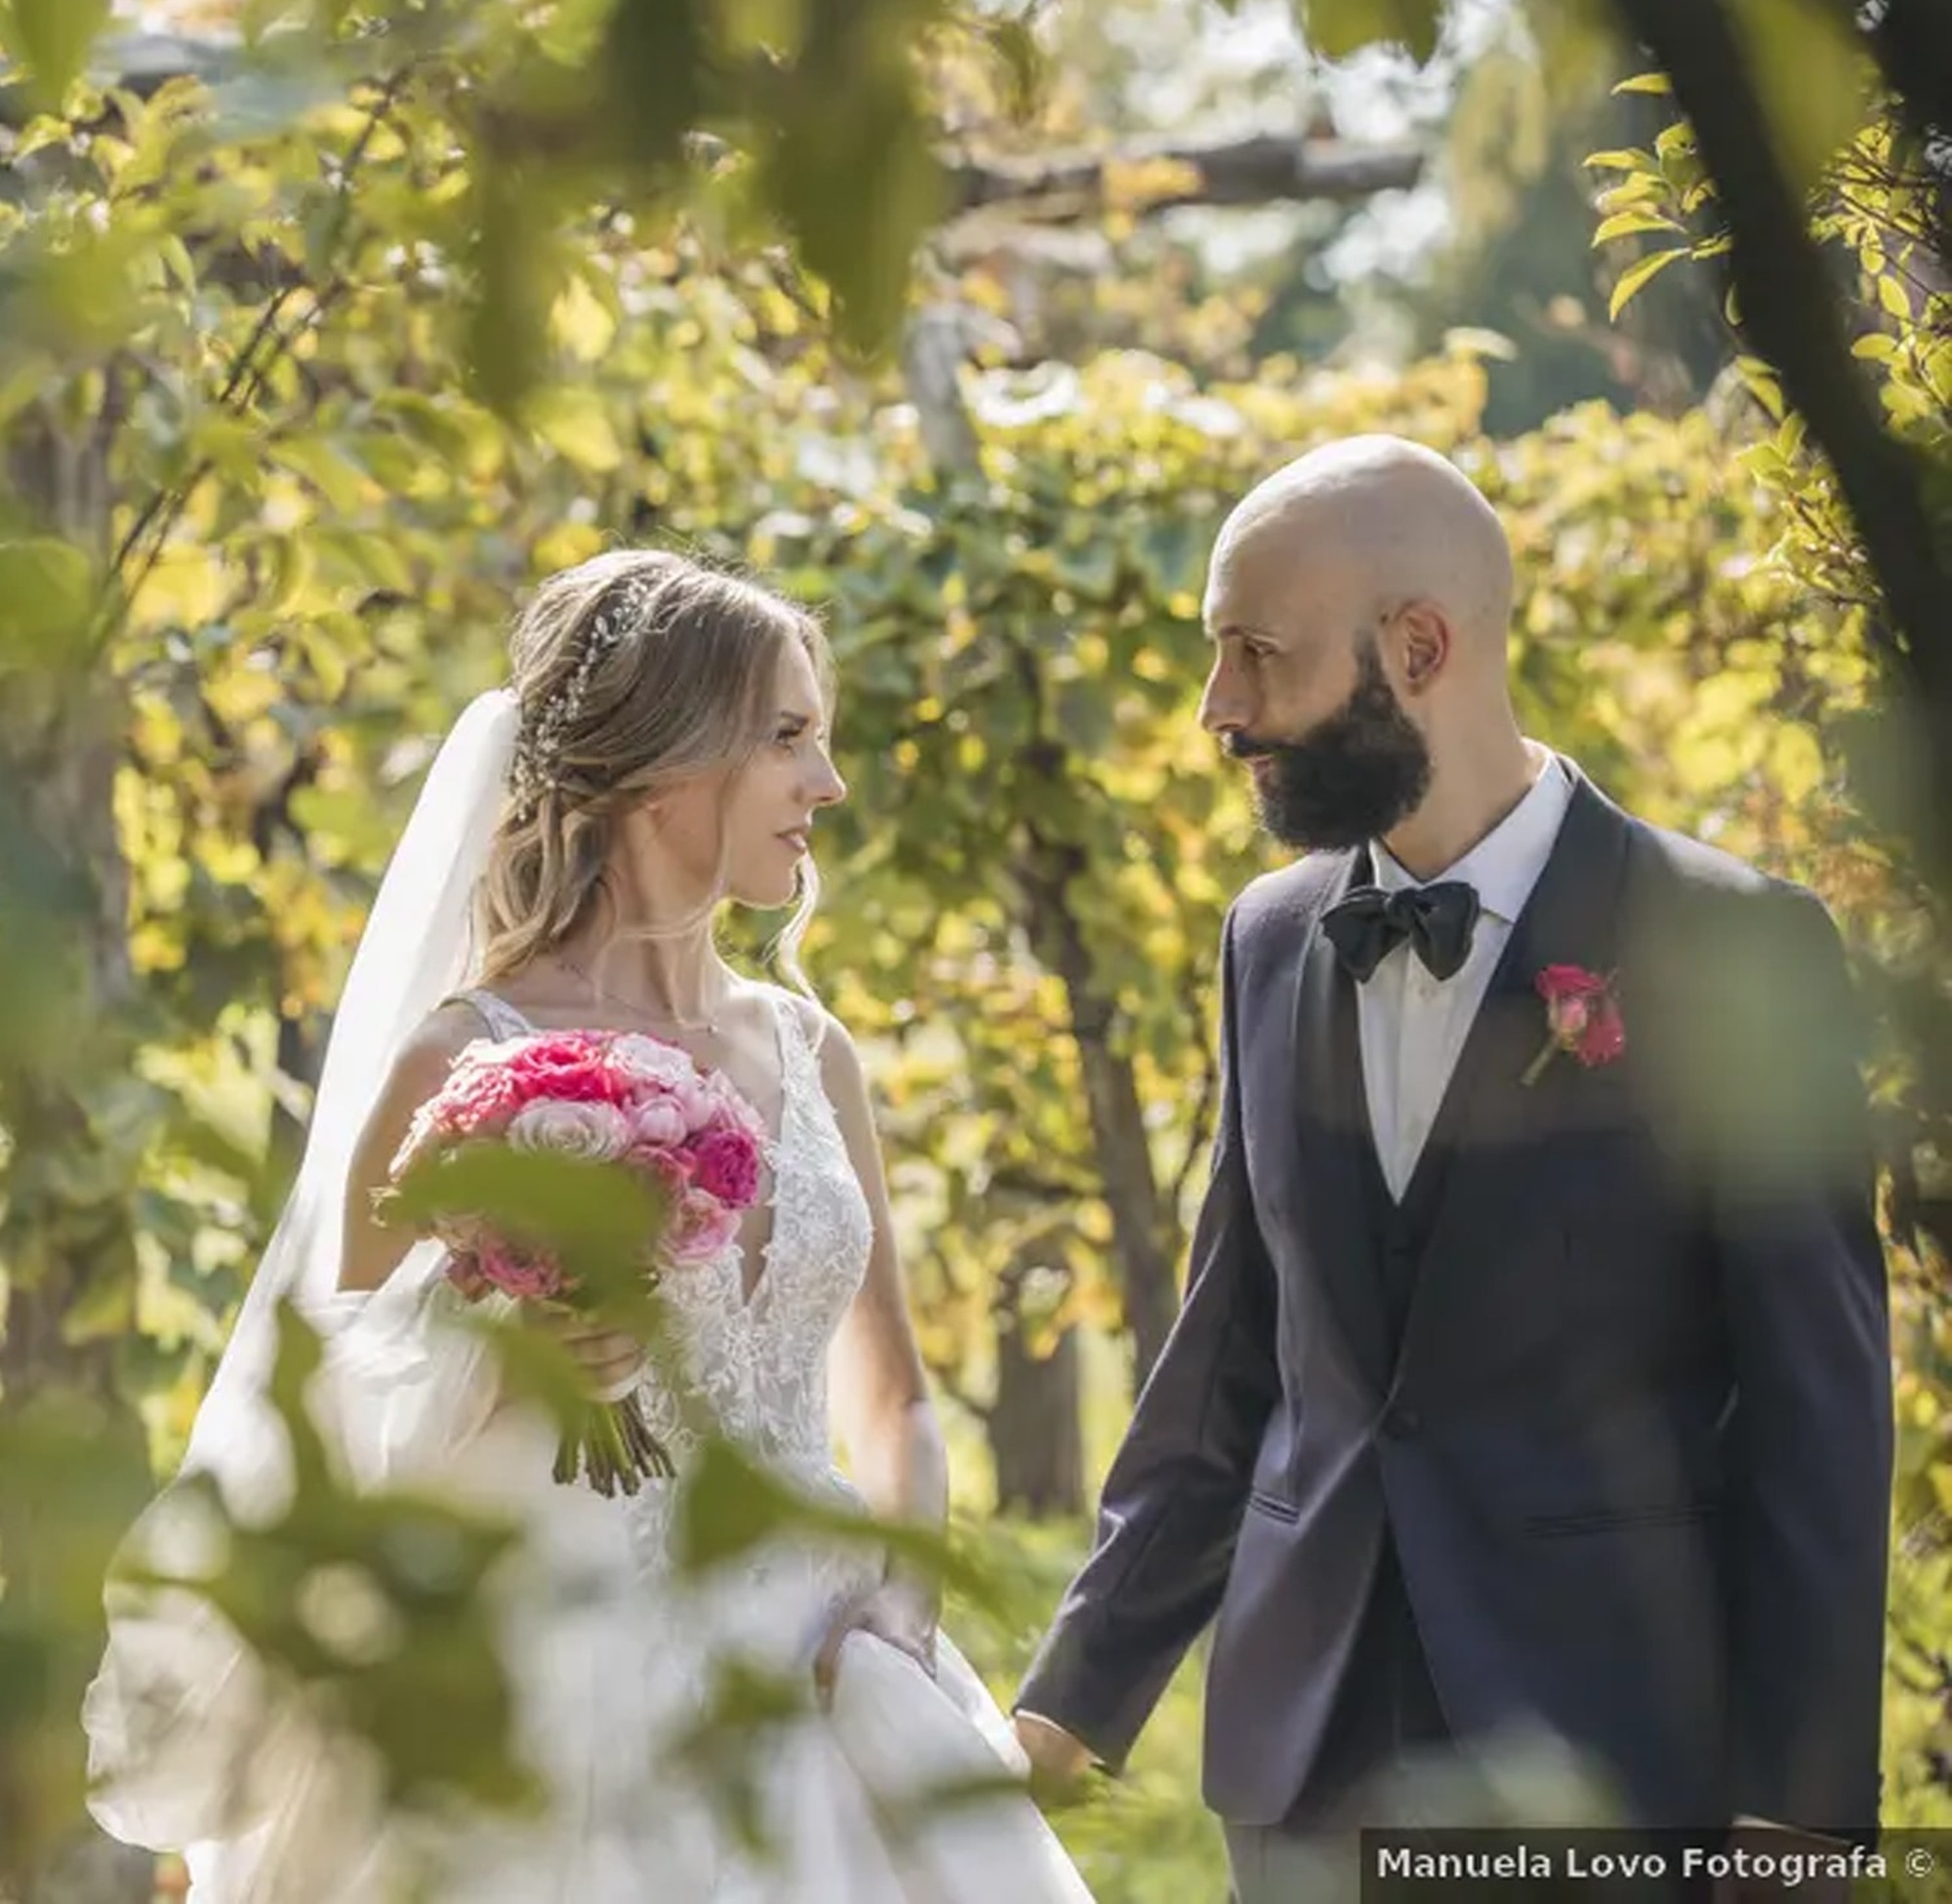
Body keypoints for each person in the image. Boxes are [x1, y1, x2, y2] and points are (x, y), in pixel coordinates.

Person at [82, 548, 1095, 1903]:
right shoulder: (460, 1061)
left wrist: (898, 1607)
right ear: (663, 761)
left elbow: (896, 1397)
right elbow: (323, 1423)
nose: (828, 784)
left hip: (830, 1666)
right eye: (787, 737)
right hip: (560, 1680)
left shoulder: (813, 1053)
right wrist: (507, 1356)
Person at [1009, 436, 1893, 1901]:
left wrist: (1799, 1822)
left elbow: (1818, 1409)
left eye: (1257, 654)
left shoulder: (1733, 945)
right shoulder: (1269, 938)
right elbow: (1234, 1352)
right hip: (1302, 1767)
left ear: (1419, 648)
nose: (1219, 708)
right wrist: (1068, 1704)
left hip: (1610, 1767)